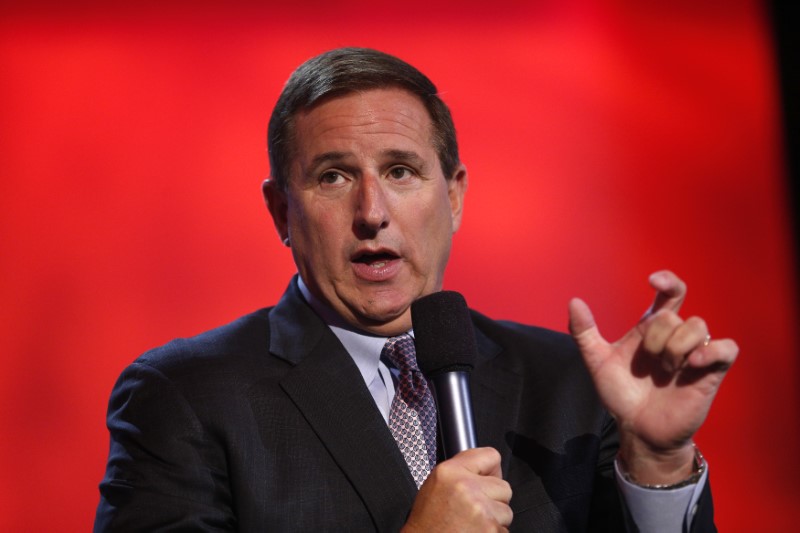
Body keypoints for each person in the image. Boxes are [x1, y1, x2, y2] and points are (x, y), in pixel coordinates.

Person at [94, 47, 738, 532]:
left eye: (401, 171)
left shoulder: (569, 384)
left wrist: (657, 461)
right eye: (333, 178)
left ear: (453, 195)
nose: (372, 211)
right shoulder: (187, 394)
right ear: (282, 213)